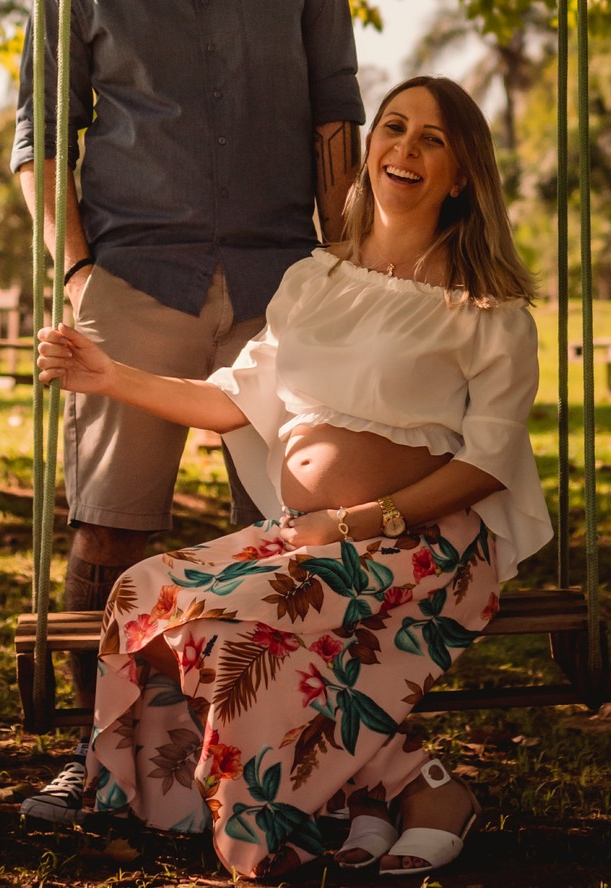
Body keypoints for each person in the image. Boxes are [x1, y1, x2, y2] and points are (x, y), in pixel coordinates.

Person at [35, 75, 552, 879]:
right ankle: (396, 788)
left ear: (463, 174)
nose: (405, 149)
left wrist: (358, 522)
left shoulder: (485, 311)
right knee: (145, 593)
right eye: (393, 127)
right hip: (307, 542)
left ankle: (392, 795)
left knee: (234, 627)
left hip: (421, 545)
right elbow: (227, 401)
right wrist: (107, 376)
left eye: (433, 139)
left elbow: (486, 463)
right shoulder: (314, 282)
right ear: (368, 148)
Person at [12, 0, 364, 822]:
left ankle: (287, 760)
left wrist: (343, 267)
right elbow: (40, 143)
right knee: (112, 531)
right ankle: (104, 758)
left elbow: (335, 117)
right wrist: (77, 273)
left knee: (287, 529)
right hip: (134, 279)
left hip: (280, 282)